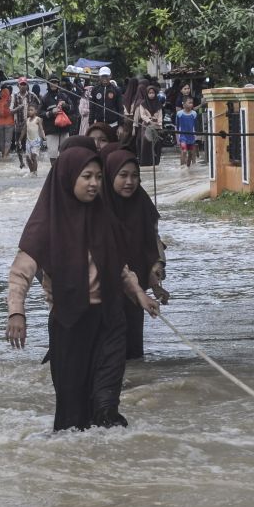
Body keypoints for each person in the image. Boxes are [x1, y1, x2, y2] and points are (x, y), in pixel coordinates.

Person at [6, 147, 160, 430]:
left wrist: (139, 293)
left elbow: (117, 266)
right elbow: (20, 273)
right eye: (86, 176)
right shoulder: (46, 224)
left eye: (99, 177)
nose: (94, 184)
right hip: (70, 323)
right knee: (72, 418)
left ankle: (115, 463)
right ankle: (74, 467)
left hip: (110, 320)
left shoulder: (103, 217)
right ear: (67, 178)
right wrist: (17, 313)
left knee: (107, 408)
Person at [100, 147, 169, 360]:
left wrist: (157, 270)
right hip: (102, 294)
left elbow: (152, 241)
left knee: (133, 355)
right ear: (110, 174)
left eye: (135, 176)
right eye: (123, 175)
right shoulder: (96, 208)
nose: (129, 182)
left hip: (136, 294)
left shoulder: (141, 203)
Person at [39, 77, 76, 164]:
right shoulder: (45, 98)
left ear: (58, 84)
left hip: (64, 129)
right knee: (53, 153)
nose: (54, 84)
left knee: (65, 152)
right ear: (48, 84)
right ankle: (54, 171)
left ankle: (63, 171)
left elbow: (72, 109)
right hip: (51, 129)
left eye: (56, 82)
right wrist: (51, 112)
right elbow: (40, 113)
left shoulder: (64, 96)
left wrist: (65, 105)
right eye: (52, 82)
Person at [10, 77, 40, 167]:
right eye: (21, 84)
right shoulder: (14, 96)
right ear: (18, 86)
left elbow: (39, 106)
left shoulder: (32, 95)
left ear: (27, 85)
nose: (23, 86)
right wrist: (18, 108)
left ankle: (31, 162)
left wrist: (35, 115)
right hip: (18, 125)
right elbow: (10, 111)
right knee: (18, 144)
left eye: (24, 84)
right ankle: (21, 163)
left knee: (31, 144)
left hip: (30, 125)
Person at [132, 81, 162, 168]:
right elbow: (142, 115)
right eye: (149, 93)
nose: (151, 95)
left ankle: (155, 162)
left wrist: (159, 125)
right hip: (146, 126)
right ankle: (145, 163)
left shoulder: (159, 104)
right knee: (146, 142)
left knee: (157, 143)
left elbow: (160, 115)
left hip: (156, 126)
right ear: (147, 93)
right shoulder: (143, 104)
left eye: (153, 93)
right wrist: (149, 121)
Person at [176, 96, 199, 168]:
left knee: (191, 153)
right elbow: (177, 126)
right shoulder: (179, 114)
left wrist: (196, 136)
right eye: (189, 103)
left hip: (191, 137)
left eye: (192, 103)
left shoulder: (194, 114)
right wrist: (177, 138)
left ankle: (188, 167)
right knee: (184, 151)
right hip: (182, 137)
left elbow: (196, 126)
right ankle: (182, 167)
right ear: (184, 104)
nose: (191, 104)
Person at [23, 104, 45, 174]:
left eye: (31, 110)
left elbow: (41, 129)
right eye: (28, 110)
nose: (29, 111)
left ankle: (35, 172)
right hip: (28, 141)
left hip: (36, 141)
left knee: (33, 157)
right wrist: (19, 140)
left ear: (35, 111)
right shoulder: (27, 120)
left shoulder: (38, 119)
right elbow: (24, 130)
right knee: (27, 158)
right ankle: (31, 171)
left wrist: (44, 138)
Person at [0, 85, 15, 161]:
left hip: (0, 123)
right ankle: (5, 156)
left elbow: (1, 113)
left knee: (2, 140)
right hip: (9, 122)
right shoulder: (10, 101)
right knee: (8, 141)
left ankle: (3, 154)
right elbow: (9, 112)